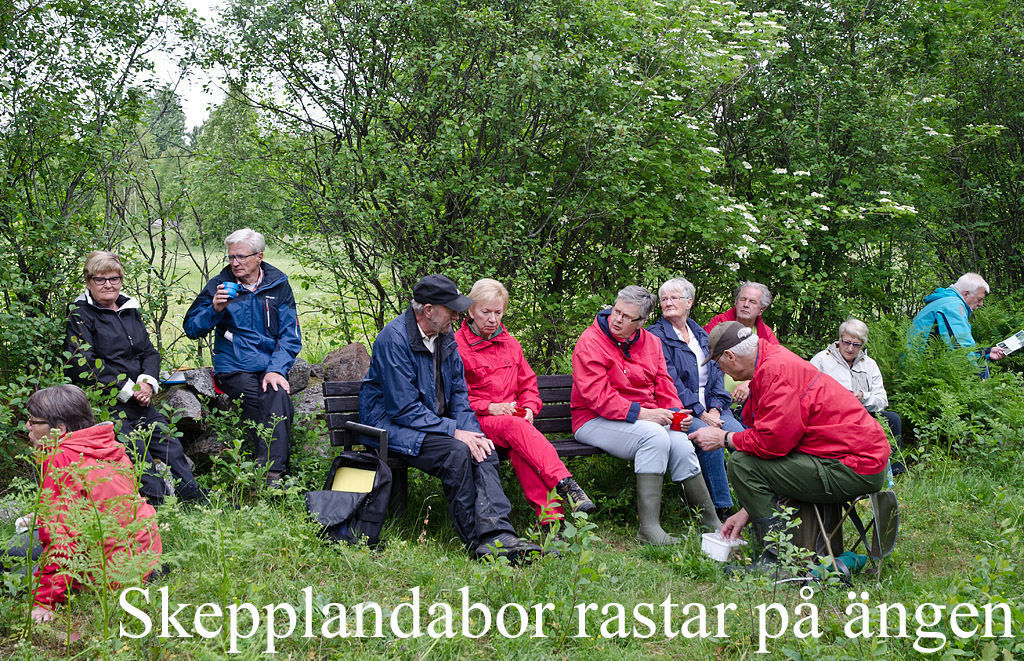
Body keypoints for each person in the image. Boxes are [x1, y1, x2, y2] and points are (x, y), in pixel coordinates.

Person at [359, 274, 540, 560]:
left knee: (483, 448)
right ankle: (477, 543)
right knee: (457, 452)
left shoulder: (444, 338)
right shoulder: (393, 340)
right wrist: (455, 432)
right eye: (451, 309)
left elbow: (459, 394)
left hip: (428, 423)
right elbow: (403, 410)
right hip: (390, 426)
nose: (456, 316)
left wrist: (471, 433)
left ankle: (500, 534)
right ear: (428, 310)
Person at [689, 321, 891, 565]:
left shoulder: (776, 372)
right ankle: (791, 552)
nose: (720, 370)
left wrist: (724, 438)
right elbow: (782, 443)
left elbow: (773, 443)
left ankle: (777, 561)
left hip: (854, 466)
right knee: (750, 460)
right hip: (849, 457)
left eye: (718, 363)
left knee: (741, 464)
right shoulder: (772, 359)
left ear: (731, 356)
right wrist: (747, 511)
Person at [572, 285, 721, 545]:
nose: (616, 319)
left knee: (680, 442)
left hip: (642, 418)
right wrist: (643, 414)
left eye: (626, 316)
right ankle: (649, 529)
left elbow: (665, 384)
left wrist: (676, 414)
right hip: (593, 419)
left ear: (641, 321)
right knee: (654, 437)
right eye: (615, 311)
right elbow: (597, 397)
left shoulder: (651, 342)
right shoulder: (591, 341)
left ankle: (711, 522)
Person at [10, 385, 161, 623]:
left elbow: (63, 538)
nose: (27, 426)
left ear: (59, 429)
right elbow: (99, 501)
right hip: (145, 558)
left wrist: (45, 601)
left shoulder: (61, 458)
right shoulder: (106, 446)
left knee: (12, 553)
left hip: (112, 574)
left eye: (33, 421)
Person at [65, 251, 205, 505]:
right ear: (88, 281)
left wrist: (147, 382)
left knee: (169, 444)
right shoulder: (80, 314)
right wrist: (128, 388)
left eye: (114, 278)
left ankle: (192, 499)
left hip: (141, 397)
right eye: (101, 279)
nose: (109, 284)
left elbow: (148, 351)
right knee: (137, 452)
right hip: (109, 401)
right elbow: (81, 362)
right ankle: (156, 508)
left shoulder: (129, 309)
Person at [455, 278, 595, 526]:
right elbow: (454, 395)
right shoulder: (457, 346)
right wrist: (488, 406)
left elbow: (528, 386)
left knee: (522, 451)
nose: (492, 319)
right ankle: (566, 483)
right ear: (471, 310)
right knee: (515, 428)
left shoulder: (511, 344)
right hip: (477, 424)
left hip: (512, 428)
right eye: (485, 312)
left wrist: (530, 408)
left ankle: (552, 523)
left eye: (498, 312)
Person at [184, 229, 301, 487]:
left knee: (278, 394)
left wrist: (277, 369)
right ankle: (274, 475)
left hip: (268, 364)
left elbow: (290, 335)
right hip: (233, 365)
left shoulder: (278, 285)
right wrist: (214, 309)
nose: (235, 263)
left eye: (241, 257)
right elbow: (192, 328)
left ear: (259, 257)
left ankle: (270, 473)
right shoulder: (218, 285)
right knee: (258, 400)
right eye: (231, 258)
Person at [647, 277, 742, 520]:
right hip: (684, 410)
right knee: (710, 440)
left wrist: (717, 408)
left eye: (674, 298)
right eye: (664, 299)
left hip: (714, 409)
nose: (667, 302)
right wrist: (701, 413)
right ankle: (719, 509)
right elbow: (670, 382)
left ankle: (752, 506)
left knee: (742, 439)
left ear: (689, 302)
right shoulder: (656, 336)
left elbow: (717, 371)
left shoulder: (700, 333)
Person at [811, 317, 906, 475]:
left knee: (893, 419)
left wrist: (863, 397)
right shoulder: (822, 360)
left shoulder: (869, 364)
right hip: (832, 416)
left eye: (856, 345)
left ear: (862, 345)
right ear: (840, 339)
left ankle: (896, 470)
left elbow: (882, 400)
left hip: (863, 413)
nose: (849, 348)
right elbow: (809, 393)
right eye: (846, 342)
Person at [908, 273, 1006, 376]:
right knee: (982, 369)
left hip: (917, 366)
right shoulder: (952, 306)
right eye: (979, 299)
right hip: (919, 372)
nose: (981, 304)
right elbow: (960, 347)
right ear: (966, 294)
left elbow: (953, 344)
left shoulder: (944, 301)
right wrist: (977, 379)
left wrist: (986, 353)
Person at [703, 281, 779, 405]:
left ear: (762, 309)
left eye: (752, 302)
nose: (746, 305)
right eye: (743, 299)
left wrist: (751, 383)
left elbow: (775, 366)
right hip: (716, 401)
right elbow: (705, 357)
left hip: (754, 401)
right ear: (736, 302)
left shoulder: (765, 333)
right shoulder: (719, 324)